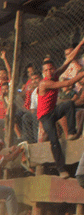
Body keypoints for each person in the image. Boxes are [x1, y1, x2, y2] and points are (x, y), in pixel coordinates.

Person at [38, 38, 84, 178]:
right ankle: (61, 169)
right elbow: (69, 82)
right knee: (54, 140)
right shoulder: (44, 84)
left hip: (53, 111)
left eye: (51, 68)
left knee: (68, 104)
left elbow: (69, 59)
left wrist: (81, 42)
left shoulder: (56, 74)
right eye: (46, 70)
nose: (49, 71)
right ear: (43, 72)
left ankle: (71, 132)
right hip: (45, 116)